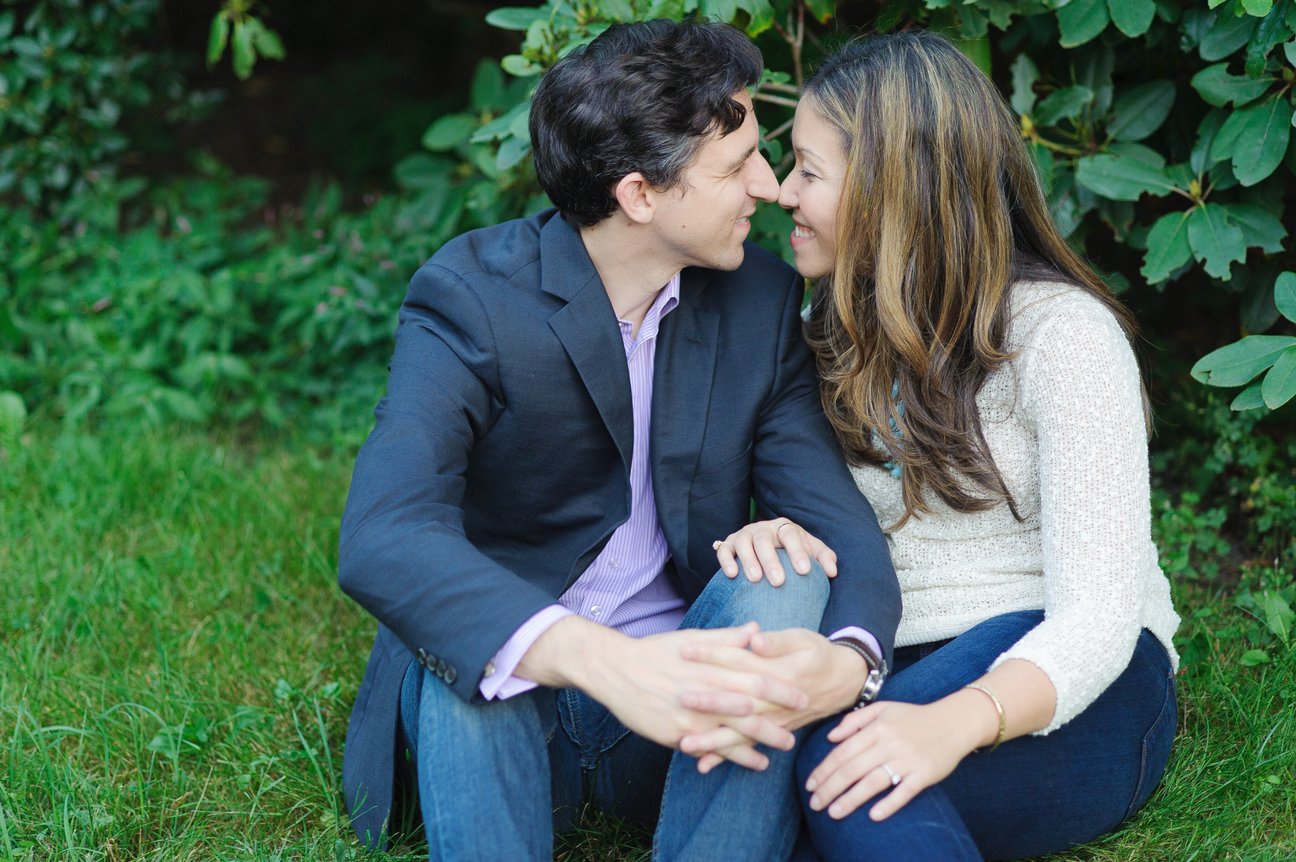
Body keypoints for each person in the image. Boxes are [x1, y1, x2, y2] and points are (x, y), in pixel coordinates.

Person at [336, 19, 902, 861]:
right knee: (477, 645)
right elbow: (383, 534)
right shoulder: (473, 296)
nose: (769, 187)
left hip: (680, 726)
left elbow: (841, 530)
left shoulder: (758, 303)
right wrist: (599, 661)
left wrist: (852, 661)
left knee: (787, 572)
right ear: (640, 195)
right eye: (737, 166)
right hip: (511, 718)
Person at [738, 29, 1179, 860]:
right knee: (773, 795)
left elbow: (1098, 616)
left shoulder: (1062, 339)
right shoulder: (821, 336)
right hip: (891, 660)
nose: (782, 192)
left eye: (809, 171)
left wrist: (954, 722)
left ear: (892, 188)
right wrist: (767, 529)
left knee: (848, 779)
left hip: (1075, 670)